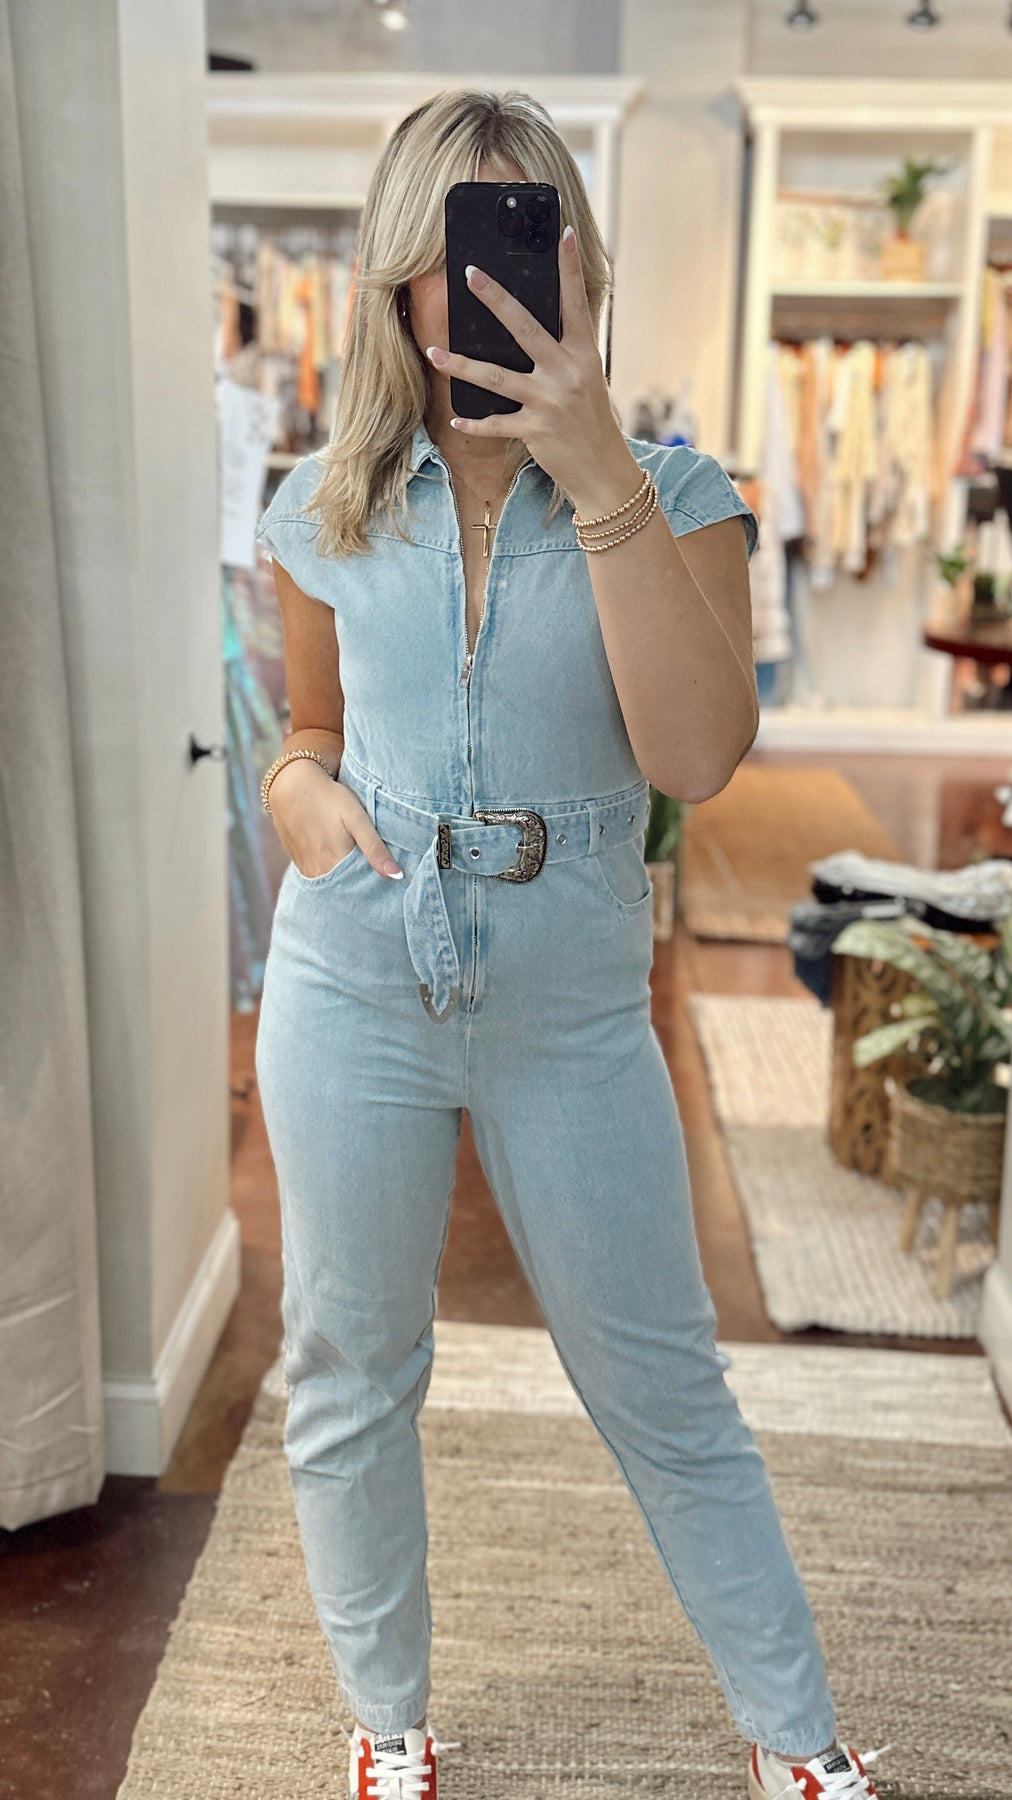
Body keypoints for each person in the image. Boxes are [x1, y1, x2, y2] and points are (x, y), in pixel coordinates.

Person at [253, 88, 888, 1800]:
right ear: (400, 278)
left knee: (662, 1383)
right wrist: (298, 795)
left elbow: (694, 758)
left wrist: (596, 469)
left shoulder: (684, 496)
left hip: (573, 1003)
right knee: (347, 1366)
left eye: (528, 242)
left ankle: (798, 1746)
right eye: (459, 249)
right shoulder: (324, 504)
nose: (492, 286)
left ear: (581, 267)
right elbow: (306, 734)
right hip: (355, 975)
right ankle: (388, 1728)